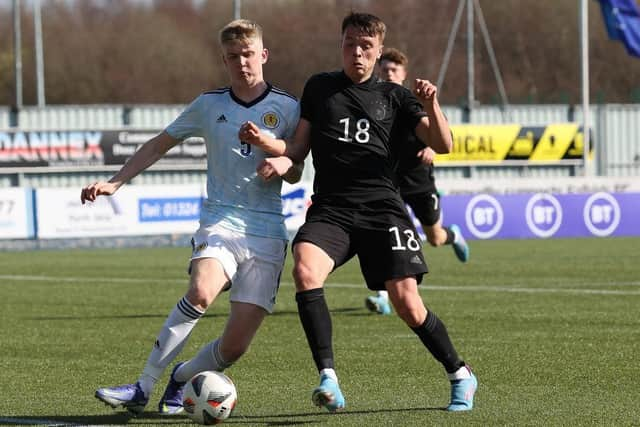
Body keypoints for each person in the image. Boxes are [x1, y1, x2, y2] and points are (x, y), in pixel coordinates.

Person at [239, 11, 477, 413]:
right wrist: (271, 147)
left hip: (383, 210)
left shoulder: (397, 97)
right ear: (342, 46)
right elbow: (297, 149)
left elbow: (445, 143)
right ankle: (328, 378)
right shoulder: (320, 88)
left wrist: (431, 104)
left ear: (379, 50)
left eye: (366, 46)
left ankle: (460, 374)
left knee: (407, 303)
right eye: (350, 44)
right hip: (332, 208)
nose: (357, 53)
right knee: (304, 271)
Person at [81, 19, 301, 415]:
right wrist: (116, 182)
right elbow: (158, 144)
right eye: (233, 57)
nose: (242, 63)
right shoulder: (209, 104)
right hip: (220, 219)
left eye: (249, 54)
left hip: (267, 230)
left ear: (263, 55)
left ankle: (180, 378)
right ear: (224, 59)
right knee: (201, 291)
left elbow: (298, 165)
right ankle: (143, 385)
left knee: (234, 348)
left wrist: (284, 164)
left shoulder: (288, 107)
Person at [365, 48, 470, 316]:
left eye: (393, 70)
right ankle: (383, 297)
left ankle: (453, 234)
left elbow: (442, 133)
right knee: (389, 238)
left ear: (403, 74)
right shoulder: (373, 103)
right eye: (384, 69)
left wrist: (433, 148)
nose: (388, 73)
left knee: (434, 238)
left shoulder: (414, 102)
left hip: (420, 181)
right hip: (390, 184)